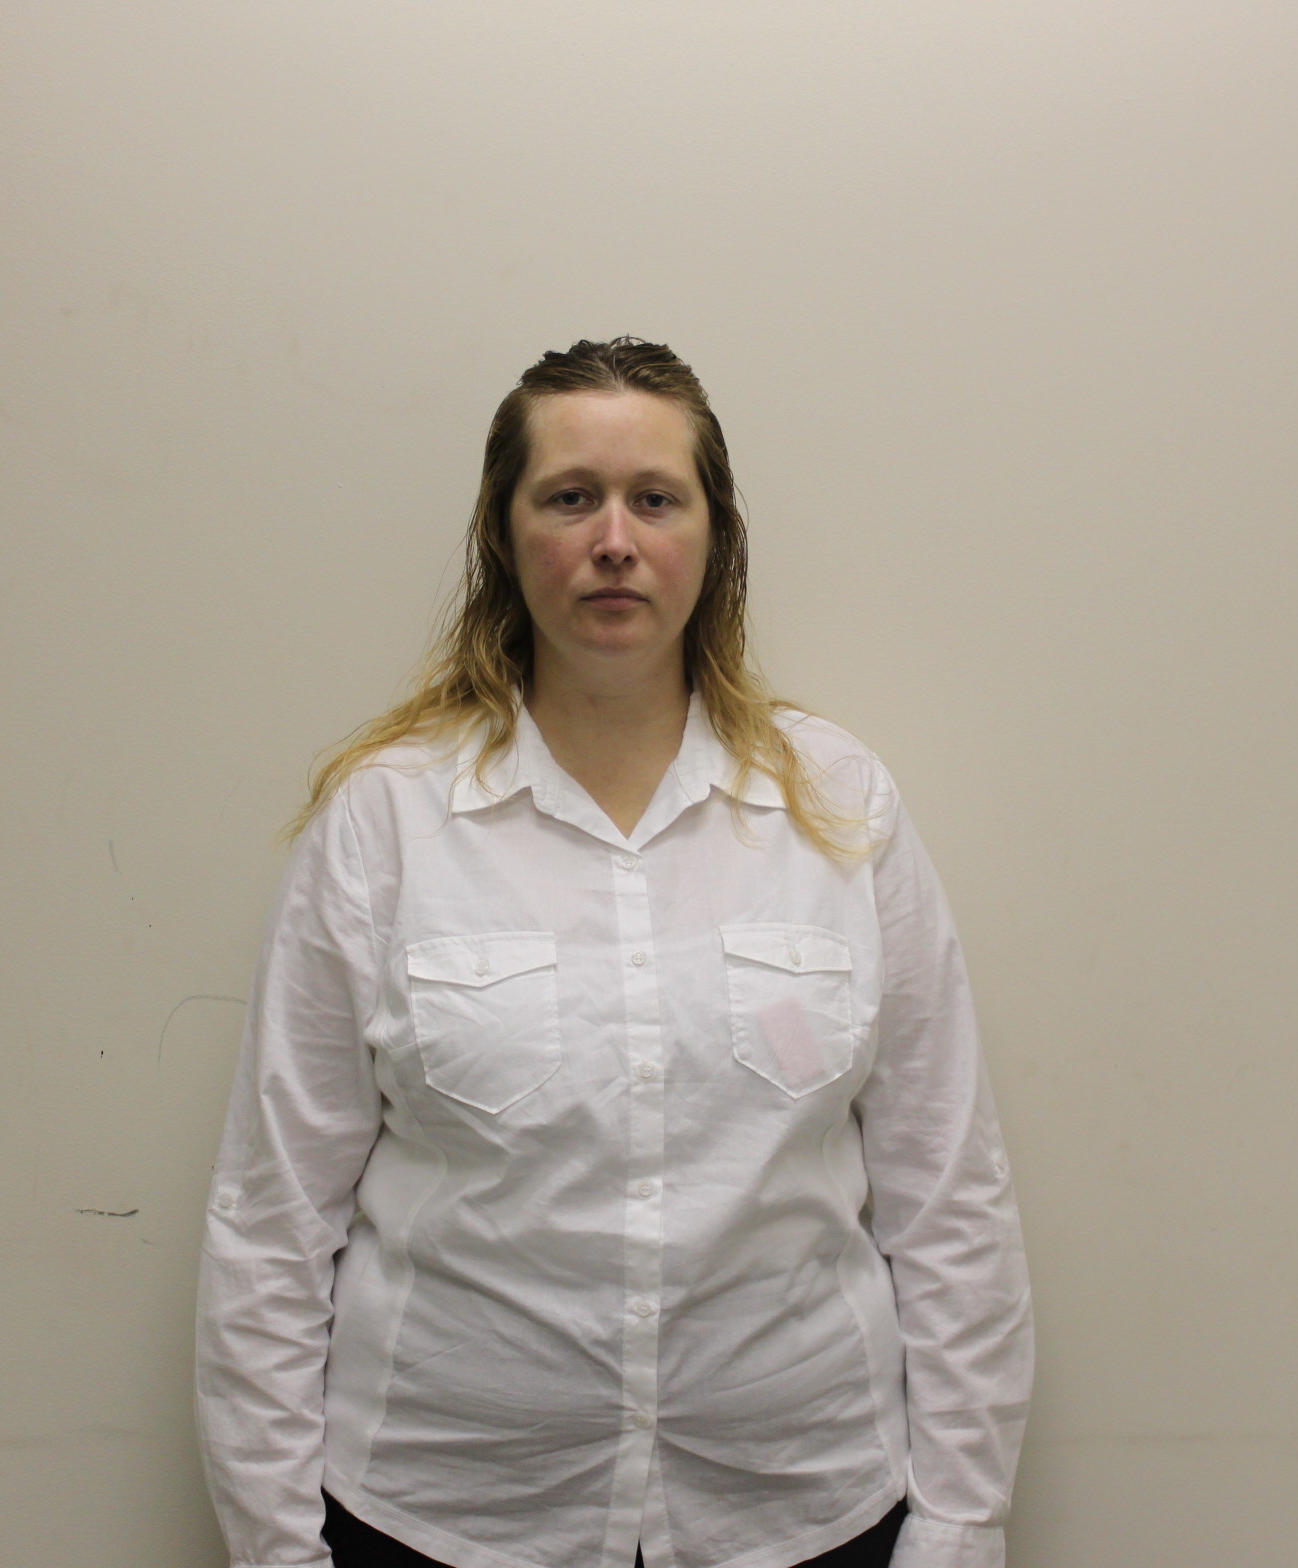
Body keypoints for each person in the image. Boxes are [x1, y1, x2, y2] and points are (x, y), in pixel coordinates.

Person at [197, 337, 1032, 1568]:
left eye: (655, 498)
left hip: (802, 1508)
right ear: (504, 534)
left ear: (716, 537)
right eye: (570, 497)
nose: (614, 540)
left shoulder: (837, 806)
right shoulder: (386, 822)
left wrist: (960, 1519)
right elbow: (273, 1219)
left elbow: (948, 1193)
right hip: (449, 1515)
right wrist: (278, 1547)